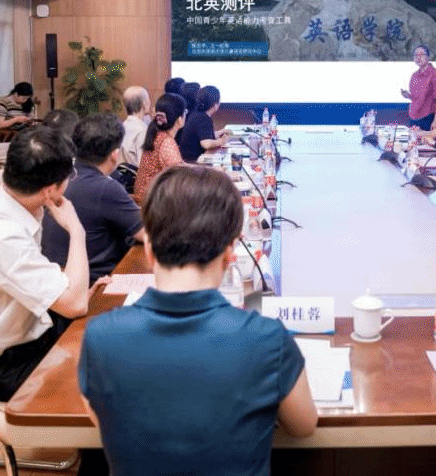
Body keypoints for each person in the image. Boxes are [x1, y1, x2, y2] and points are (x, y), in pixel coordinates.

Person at [78, 165, 318, 474]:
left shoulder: (99, 337)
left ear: (149, 249)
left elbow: (104, 422)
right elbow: (303, 427)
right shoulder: (268, 339)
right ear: (230, 253)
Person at [0, 126, 91, 401]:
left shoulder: (6, 202)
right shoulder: (3, 236)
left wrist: (72, 288)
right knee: (96, 379)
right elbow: (74, 304)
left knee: (103, 337)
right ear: (50, 191)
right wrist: (76, 230)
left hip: (26, 332)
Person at [42, 113, 146, 284]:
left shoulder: (62, 175)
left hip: (57, 281)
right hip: (94, 283)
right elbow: (147, 234)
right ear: (115, 154)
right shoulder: (105, 188)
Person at [133, 93, 186, 204]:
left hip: (147, 198)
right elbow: (180, 176)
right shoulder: (166, 142)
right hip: (154, 203)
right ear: (180, 120)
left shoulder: (156, 135)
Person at [178, 85, 231, 162]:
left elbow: (204, 135)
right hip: (192, 162)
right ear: (215, 104)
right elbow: (206, 144)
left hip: (189, 159)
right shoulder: (203, 118)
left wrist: (220, 132)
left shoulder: (197, 114)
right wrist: (222, 141)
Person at [400, 45, 436, 130]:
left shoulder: (435, 74)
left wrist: (435, 121)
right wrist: (408, 96)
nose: (418, 58)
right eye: (416, 55)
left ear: (428, 57)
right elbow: (419, 97)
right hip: (413, 116)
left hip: (427, 117)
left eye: (421, 55)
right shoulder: (414, 75)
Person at [119, 86, 151, 166]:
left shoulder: (122, 126)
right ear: (144, 103)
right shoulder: (143, 130)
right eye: (148, 99)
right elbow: (143, 164)